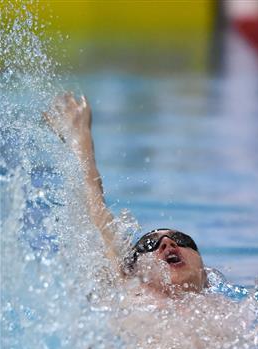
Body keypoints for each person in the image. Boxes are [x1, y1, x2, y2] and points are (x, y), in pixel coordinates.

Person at [43, 93, 207, 298]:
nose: (168, 243)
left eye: (182, 240)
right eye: (149, 245)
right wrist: (80, 138)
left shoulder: (237, 310)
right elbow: (96, 213)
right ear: (131, 273)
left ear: (205, 275)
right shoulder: (131, 296)